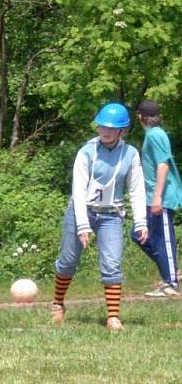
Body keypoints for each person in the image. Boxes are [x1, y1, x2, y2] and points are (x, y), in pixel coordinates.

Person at [51, 103, 148, 330]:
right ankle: (57, 304)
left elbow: (136, 189)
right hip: (81, 210)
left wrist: (141, 221)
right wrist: (83, 226)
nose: (105, 131)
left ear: (122, 131)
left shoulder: (131, 154)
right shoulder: (86, 152)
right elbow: (78, 189)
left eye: (112, 128)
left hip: (111, 215)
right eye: (102, 126)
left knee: (112, 264)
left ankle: (113, 316)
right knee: (67, 261)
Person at [131, 100, 181, 297]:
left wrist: (158, 197)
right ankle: (171, 271)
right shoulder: (152, 135)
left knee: (164, 239)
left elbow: (163, 166)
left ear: (141, 116)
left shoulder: (156, 135)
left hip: (162, 197)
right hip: (152, 196)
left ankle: (171, 283)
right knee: (138, 234)